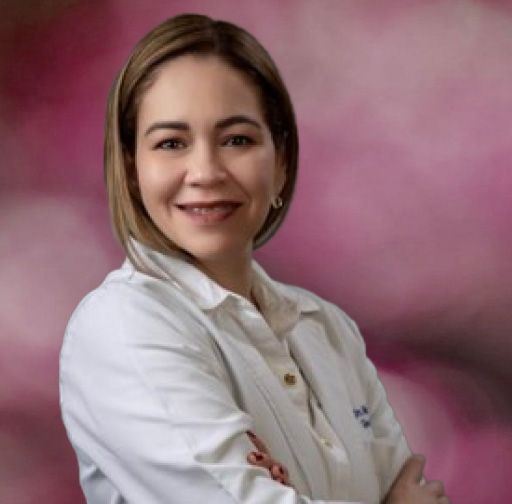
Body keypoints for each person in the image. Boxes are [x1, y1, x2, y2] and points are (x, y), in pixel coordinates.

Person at [59, 13, 450, 504]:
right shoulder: (124, 326)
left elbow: (408, 485)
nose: (205, 171)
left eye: (237, 140)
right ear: (132, 169)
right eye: (171, 143)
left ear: (280, 161)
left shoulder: (327, 329)